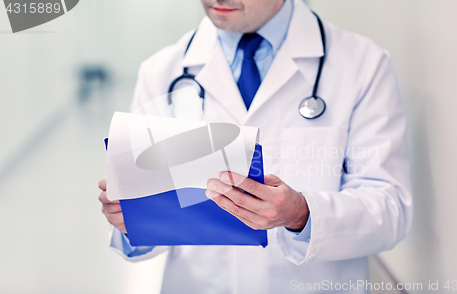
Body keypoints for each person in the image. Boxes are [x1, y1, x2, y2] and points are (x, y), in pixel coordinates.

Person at [98, 0, 413, 293]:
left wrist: (303, 214)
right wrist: (132, 223)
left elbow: (391, 207)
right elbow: (151, 224)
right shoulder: (161, 71)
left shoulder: (363, 66)